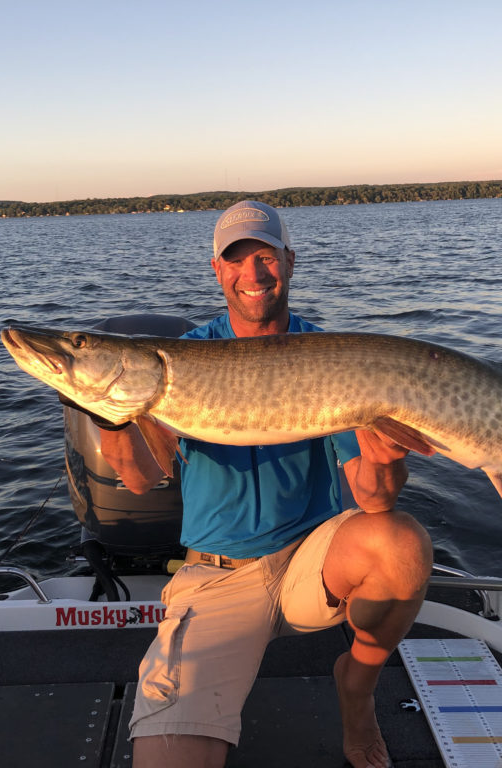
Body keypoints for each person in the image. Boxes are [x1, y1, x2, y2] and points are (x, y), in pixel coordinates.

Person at [98, 200, 433, 768]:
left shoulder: (335, 357)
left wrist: (386, 456)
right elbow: (138, 479)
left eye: (265, 257)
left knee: (402, 542)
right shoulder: (184, 358)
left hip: (314, 564)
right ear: (217, 269)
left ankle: (357, 685)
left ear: (290, 262)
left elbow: (375, 499)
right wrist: (110, 418)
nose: (252, 274)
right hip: (219, 576)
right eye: (236, 260)